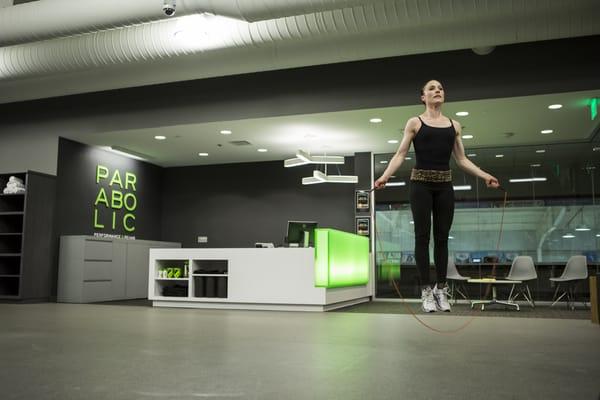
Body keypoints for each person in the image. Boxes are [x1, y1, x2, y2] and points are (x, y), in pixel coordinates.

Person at [374, 79, 500, 312]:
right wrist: (384, 176)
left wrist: (484, 176)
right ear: (423, 97)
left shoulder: (454, 125)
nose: (437, 90)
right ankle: (426, 292)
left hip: (444, 187)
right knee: (422, 237)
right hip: (420, 185)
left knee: (442, 238)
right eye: (431, 88)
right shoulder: (415, 122)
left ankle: (440, 290)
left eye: (440, 88)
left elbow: (461, 160)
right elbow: (400, 154)